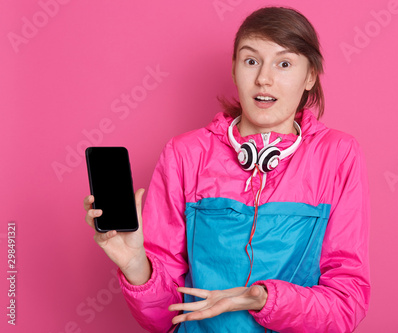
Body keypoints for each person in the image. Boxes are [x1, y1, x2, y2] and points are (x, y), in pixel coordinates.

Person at [84, 6, 370, 333]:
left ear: (309, 76)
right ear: (234, 69)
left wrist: (265, 299)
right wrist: (137, 267)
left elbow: (347, 304)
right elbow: (166, 318)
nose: (264, 78)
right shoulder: (184, 154)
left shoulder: (339, 155)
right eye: (251, 61)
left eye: (284, 63)